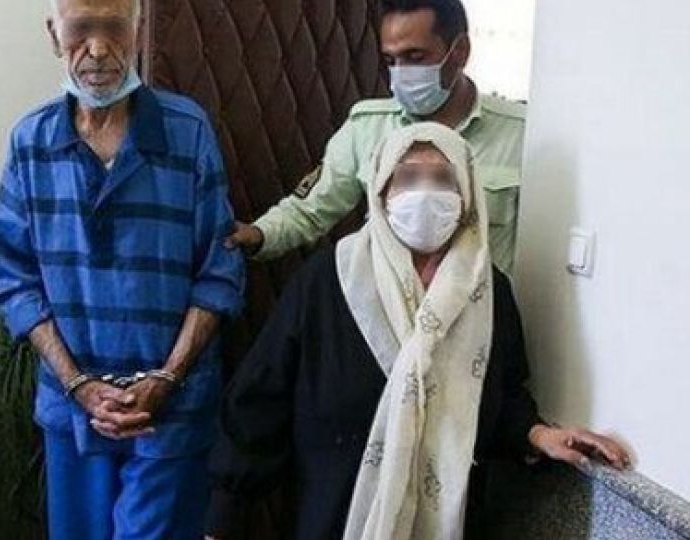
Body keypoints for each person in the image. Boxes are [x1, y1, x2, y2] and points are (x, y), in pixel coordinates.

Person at [204, 123, 628, 540]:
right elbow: (259, 402)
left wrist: (540, 435)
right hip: (335, 514)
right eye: (407, 178)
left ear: (467, 195)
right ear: (382, 192)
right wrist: (223, 520)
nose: (425, 192)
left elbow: (501, 396)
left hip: (450, 519)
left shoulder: (488, 291)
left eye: (443, 179)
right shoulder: (330, 280)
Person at [0, 0, 245, 538]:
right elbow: (15, 281)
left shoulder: (187, 131)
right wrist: (79, 384)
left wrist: (166, 377)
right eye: (81, 30)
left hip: (171, 411)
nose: (99, 49)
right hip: (72, 410)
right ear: (54, 34)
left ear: (138, 28)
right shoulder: (31, 141)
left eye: (114, 29)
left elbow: (220, 270)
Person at [225, 0, 526, 275]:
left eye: (415, 57)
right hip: (384, 308)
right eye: (391, 61)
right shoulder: (367, 127)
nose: (401, 73)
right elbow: (310, 211)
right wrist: (259, 234)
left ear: (459, 51)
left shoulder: (522, 132)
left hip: (485, 309)